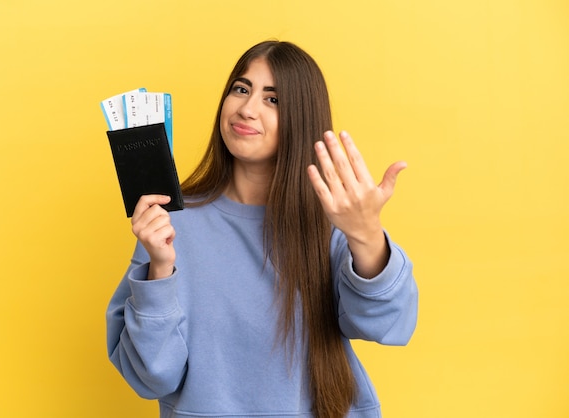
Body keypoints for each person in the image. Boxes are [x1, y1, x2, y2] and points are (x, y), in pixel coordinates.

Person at [106, 40, 418, 418]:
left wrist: (366, 235)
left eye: (273, 99)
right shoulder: (169, 223)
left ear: (301, 117)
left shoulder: (334, 218)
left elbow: (389, 326)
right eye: (241, 89)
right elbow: (152, 377)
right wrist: (159, 270)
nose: (247, 109)